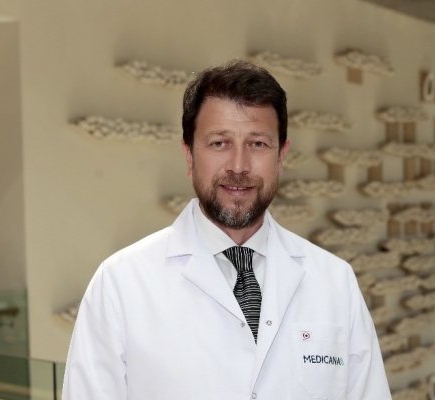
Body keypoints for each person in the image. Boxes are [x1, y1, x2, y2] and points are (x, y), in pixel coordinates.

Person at [62, 60, 391, 399]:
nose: (238, 166)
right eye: (219, 143)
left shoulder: (335, 281)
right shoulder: (120, 285)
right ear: (189, 155)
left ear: (281, 157)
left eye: (258, 144)